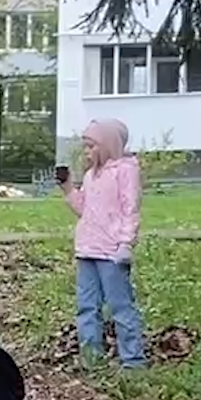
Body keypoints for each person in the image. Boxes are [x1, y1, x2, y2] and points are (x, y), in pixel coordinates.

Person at [59, 118, 145, 368]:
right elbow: (84, 209)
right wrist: (67, 189)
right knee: (87, 307)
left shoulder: (125, 170)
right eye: (85, 146)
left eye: (91, 146)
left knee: (121, 307)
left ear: (108, 145)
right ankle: (91, 360)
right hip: (87, 249)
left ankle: (133, 361)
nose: (86, 152)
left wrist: (126, 243)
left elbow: (131, 209)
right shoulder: (90, 175)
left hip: (112, 252)